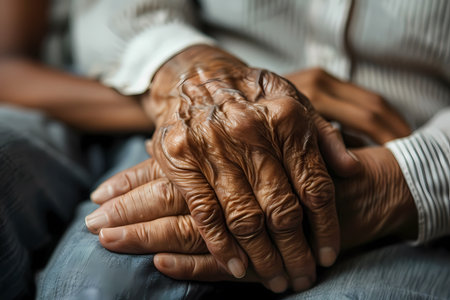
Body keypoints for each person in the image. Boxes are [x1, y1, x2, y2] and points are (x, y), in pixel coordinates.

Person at [0, 0, 448, 299]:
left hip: (407, 146)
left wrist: (404, 179)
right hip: (201, 120)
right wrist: (197, 75)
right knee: (92, 285)